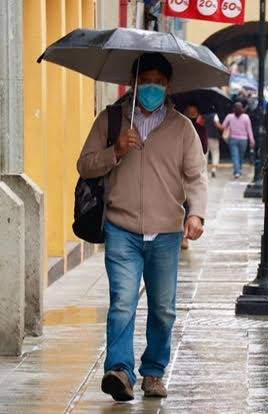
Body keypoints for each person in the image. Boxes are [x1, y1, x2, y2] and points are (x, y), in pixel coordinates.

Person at [77, 53, 207, 401]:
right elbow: (85, 165)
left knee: (163, 308)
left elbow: (196, 176)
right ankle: (119, 370)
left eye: (158, 82)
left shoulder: (182, 128)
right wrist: (115, 151)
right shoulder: (112, 120)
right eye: (145, 80)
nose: (151, 87)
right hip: (121, 228)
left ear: (168, 86)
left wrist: (196, 214)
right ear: (134, 83)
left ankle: (153, 372)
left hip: (166, 233)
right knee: (122, 302)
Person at [181, 104, 208, 250]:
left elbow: (204, 147)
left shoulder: (199, 128)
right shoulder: (178, 126)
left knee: (187, 204)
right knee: (180, 204)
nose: (192, 112)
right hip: (178, 173)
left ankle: (185, 237)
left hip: (192, 169)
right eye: (189, 109)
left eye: (194, 110)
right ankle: (181, 235)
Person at [221, 102, 255, 179]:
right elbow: (249, 130)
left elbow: (223, 126)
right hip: (244, 140)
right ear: (242, 109)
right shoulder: (246, 117)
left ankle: (237, 171)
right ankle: (238, 170)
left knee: (235, 156)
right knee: (241, 156)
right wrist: (252, 140)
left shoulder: (229, 116)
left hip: (233, 139)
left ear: (233, 109)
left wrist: (229, 127)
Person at [204, 106, 223, 178]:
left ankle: (204, 170)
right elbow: (217, 125)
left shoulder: (202, 115)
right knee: (215, 153)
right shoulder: (214, 115)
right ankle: (214, 169)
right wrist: (223, 128)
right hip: (213, 136)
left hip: (204, 136)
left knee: (205, 153)